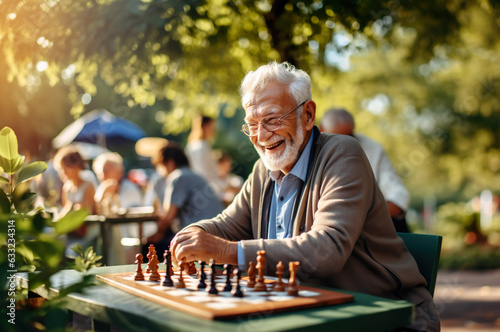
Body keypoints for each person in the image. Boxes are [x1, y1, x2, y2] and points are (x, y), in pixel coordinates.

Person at [171, 61, 440, 331]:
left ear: (308, 115)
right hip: (311, 313)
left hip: (386, 317)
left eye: (272, 119)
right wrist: (193, 234)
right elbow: (227, 225)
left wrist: (225, 251)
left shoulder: (343, 154)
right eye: (252, 124)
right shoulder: (263, 171)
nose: (261, 136)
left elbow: (327, 249)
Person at [320, 108, 411, 233]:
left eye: (349, 136)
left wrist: (363, 213)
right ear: (321, 129)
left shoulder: (373, 150)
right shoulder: (308, 152)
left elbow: (398, 197)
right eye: (336, 138)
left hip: (370, 228)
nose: (342, 143)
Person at [146, 144, 224, 257]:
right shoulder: (194, 175)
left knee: (149, 248)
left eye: (161, 167)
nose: (161, 173)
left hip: (201, 237)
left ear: (170, 163)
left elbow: (168, 219)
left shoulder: (178, 177)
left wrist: (151, 238)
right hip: (216, 232)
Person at [92, 152, 143, 265]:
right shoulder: (102, 189)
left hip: (127, 240)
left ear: (119, 172)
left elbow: (127, 217)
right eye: (100, 172)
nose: (103, 175)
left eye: (106, 170)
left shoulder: (130, 189)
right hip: (106, 239)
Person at [54, 145, 97, 257]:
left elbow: (86, 212)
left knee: (71, 251)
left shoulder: (88, 185)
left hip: (89, 229)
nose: (63, 172)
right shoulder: (67, 187)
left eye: (65, 168)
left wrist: (71, 208)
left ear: (76, 167)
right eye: (61, 168)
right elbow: (66, 210)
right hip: (74, 230)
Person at [185, 115, 225, 197]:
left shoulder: (190, 146)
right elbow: (206, 174)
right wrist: (224, 185)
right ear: (205, 127)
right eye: (212, 127)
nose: (214, 130)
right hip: (205, 193)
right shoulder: (203, 147)